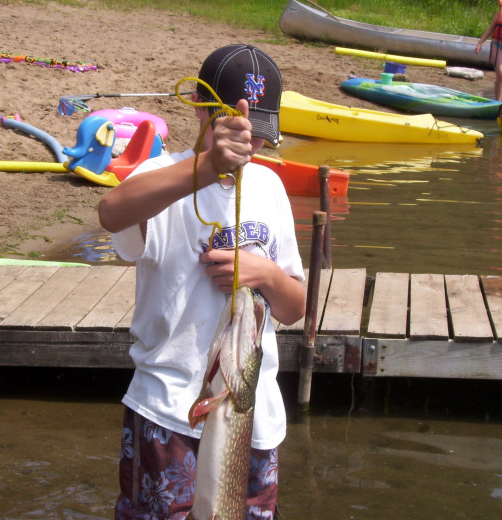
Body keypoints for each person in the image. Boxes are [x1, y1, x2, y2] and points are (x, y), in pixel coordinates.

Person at [98, 44, 306, 519]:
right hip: (167, 412)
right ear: (200, 108)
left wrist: (266, 274)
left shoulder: (269, 187)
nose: (246, 144)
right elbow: (111, 213)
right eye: (231, 126)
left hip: (254, 418)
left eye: (257, 133)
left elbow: (295, 307)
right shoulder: (161, 176)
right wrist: (208, 165)